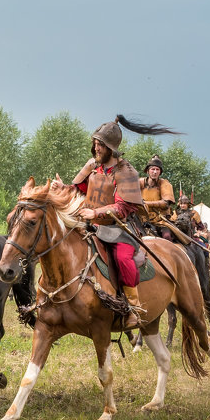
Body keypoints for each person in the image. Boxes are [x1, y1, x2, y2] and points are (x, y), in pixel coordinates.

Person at [73, 115, 179, 329]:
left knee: (122, 257)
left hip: (117, 228)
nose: (96, 149)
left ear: (110, 147)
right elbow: (77, 189)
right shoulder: (92, 165)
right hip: (89, 225)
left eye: (100, 145)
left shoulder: (126, 171)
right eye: (95, 143)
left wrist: (96, 214)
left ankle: (133, 307)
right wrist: (61, 188)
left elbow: (123, 208)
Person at [138, 154, 177, 241]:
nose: (155, 172)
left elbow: (165, 203)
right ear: (148, 171)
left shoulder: (164, 184)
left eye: (157, 169)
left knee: (167, 236)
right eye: (153, 169)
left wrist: (145, 203)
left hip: (160, 222)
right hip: (141, 220)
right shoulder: (139, 183)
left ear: (160, 172)